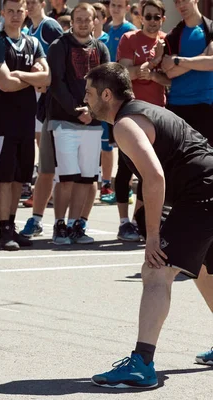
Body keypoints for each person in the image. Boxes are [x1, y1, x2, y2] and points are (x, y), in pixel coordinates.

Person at [86, 62, 213, 389]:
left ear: (106, 94)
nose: (84, 99)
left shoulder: (125, 125)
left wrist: (153, 236)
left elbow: (154, 177)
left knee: (156, 270)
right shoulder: (143, 111)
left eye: (88, 93)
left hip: (202, 193)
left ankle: (142, 364)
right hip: (206, 187)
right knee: (203, 270)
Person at [0, 0, 49, 251]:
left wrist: (20, 75)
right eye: (10, 11)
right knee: (4, 179)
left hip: (27, 121)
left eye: (19, 11)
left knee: (18, 180)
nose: (15, 16)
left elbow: (46, 79)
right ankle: (3, 231)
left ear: (26, 12)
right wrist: (31, 77)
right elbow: (4, 83)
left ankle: (11, 226)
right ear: (2, 13)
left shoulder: (33, 42)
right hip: (3, 122)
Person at [47, 2, 110, 245]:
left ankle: (75, 225)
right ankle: (59, 225)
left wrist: (93, 112)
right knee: (67, 177)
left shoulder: (101, 48)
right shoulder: (59, 46)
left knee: (86, 177)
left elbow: (106, 83)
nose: (84, 23)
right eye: (79, 19)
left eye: (88, 19)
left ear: (95, 21)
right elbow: (57, 84)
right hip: (65, 122)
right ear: (72, 21)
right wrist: (77, 110)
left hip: (93, 123)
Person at [114, 0, 168, 241]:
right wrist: (147, 67)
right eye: (148, 17)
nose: (153, 21)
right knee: (126, 169)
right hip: (131, 112)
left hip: (158, 115)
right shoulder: (129, 38)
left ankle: (142, 220)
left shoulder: (166, 41)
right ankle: (124, 221)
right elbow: (123, 72)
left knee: (151, 171)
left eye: (157, 17)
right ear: (140, 18)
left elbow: (169, 80)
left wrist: (154, 72)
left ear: (163, 19)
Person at [18, 0, 62, 231]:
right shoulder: (29, 30)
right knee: (45, 161)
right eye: (28, 3)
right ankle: (39, 216)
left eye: (34, 1)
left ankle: (64, 220)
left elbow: (61, 60)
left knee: (55, 164)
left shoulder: (49, 26)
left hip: (53, 102)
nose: (31, 6)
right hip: (39, 102)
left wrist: (46, 81)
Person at [160, 0, 213, 143]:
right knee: (179, 161)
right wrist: (202, 58)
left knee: (207, 159)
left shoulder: (210, 29)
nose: (181, 6)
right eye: (177, 2)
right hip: (177, 106)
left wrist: (178, 61)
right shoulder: (173, 35)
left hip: (205, 105)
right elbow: (169, 72)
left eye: (184, 0)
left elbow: (211, 64)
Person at [100, 0, 137, 198]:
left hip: (123, 95)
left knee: (125, 143)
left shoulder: (129, 30)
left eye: (120, 5)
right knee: (113, 142)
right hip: (108, 94)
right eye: (113, 5)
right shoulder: (108, 30)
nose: (115, 9)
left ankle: (126, 188)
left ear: (127, 9)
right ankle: (120, 187)